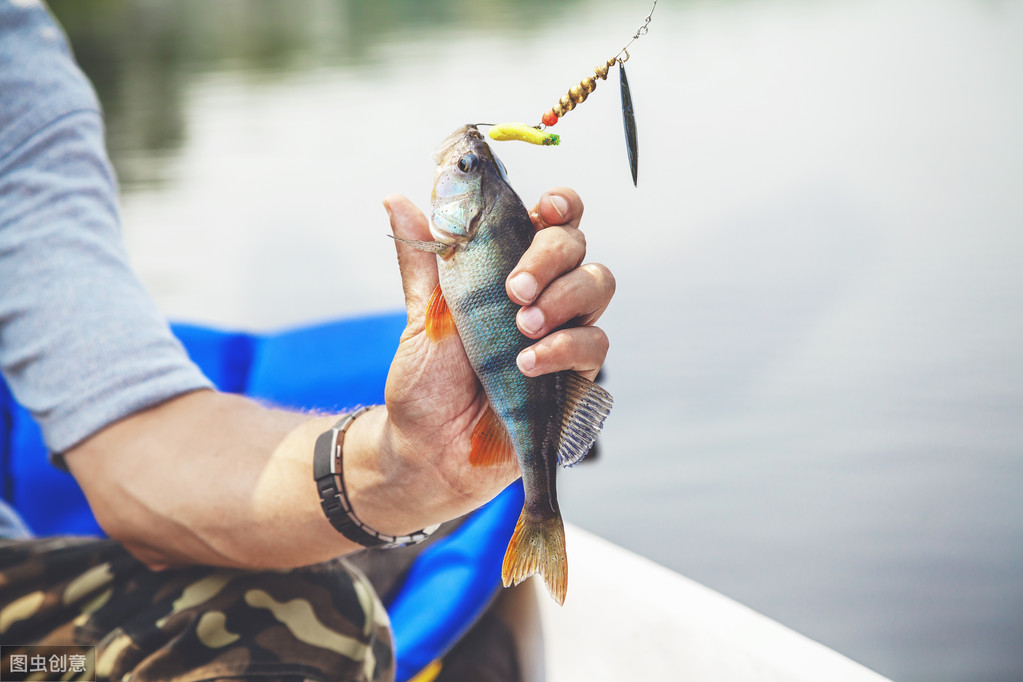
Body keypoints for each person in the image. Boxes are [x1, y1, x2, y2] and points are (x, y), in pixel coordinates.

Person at [0, 1, 615, 681]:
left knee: (311, 619)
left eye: (470, 170)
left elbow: (136, 449)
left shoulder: (15, 73)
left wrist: (410, 466)